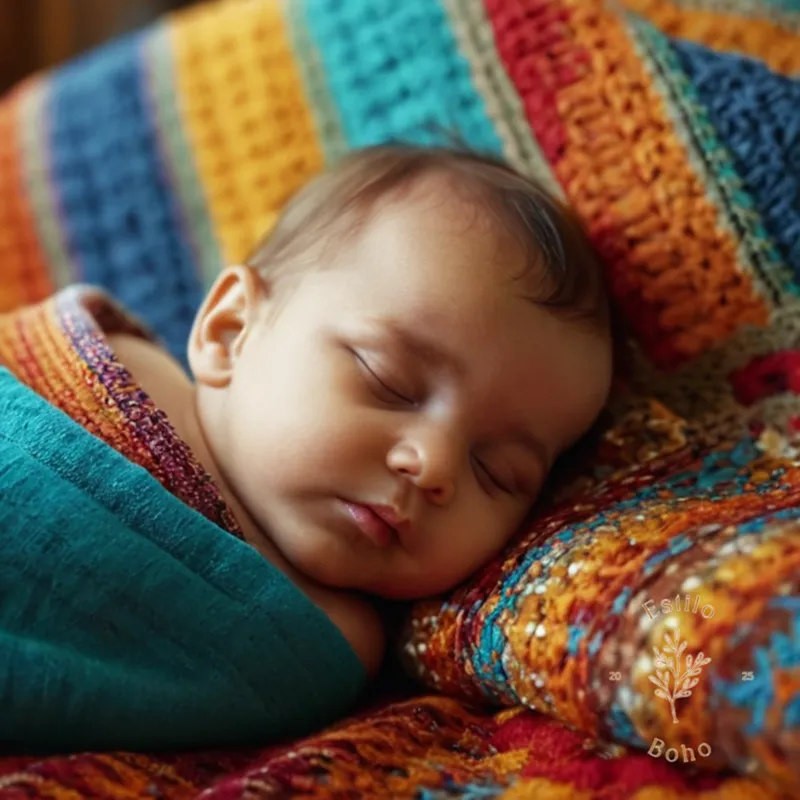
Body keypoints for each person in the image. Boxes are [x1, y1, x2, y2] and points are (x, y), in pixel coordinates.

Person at [27, 145, 616, 677]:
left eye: (497, 472)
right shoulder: (99, 360)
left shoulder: (318, 644)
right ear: (230, 332)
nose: (433, 465)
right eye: (387, 379)